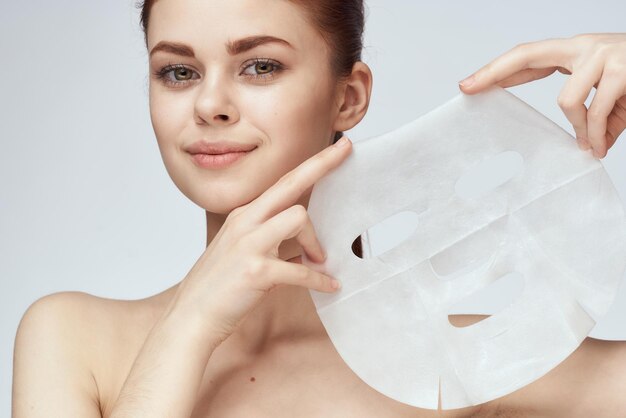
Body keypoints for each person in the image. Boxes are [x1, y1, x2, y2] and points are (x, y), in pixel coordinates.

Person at [11, 0, 626, 416]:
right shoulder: (73, 339)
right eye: (178, 72)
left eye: (260, 66)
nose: (210, 104)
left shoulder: (464, 359)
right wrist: (191, 322)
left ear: (348, 98)